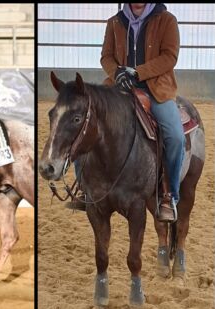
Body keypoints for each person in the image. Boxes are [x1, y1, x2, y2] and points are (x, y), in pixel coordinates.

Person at [72, 3, 185, 222]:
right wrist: (118, 73)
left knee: (176, 136)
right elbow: (106, 56)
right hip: (119, 87)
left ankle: (169, 196)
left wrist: (138, 72)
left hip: (156, 90)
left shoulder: (167, 20)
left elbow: (169, 57)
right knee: (84, 122)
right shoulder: (114, 22)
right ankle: (84, 187)